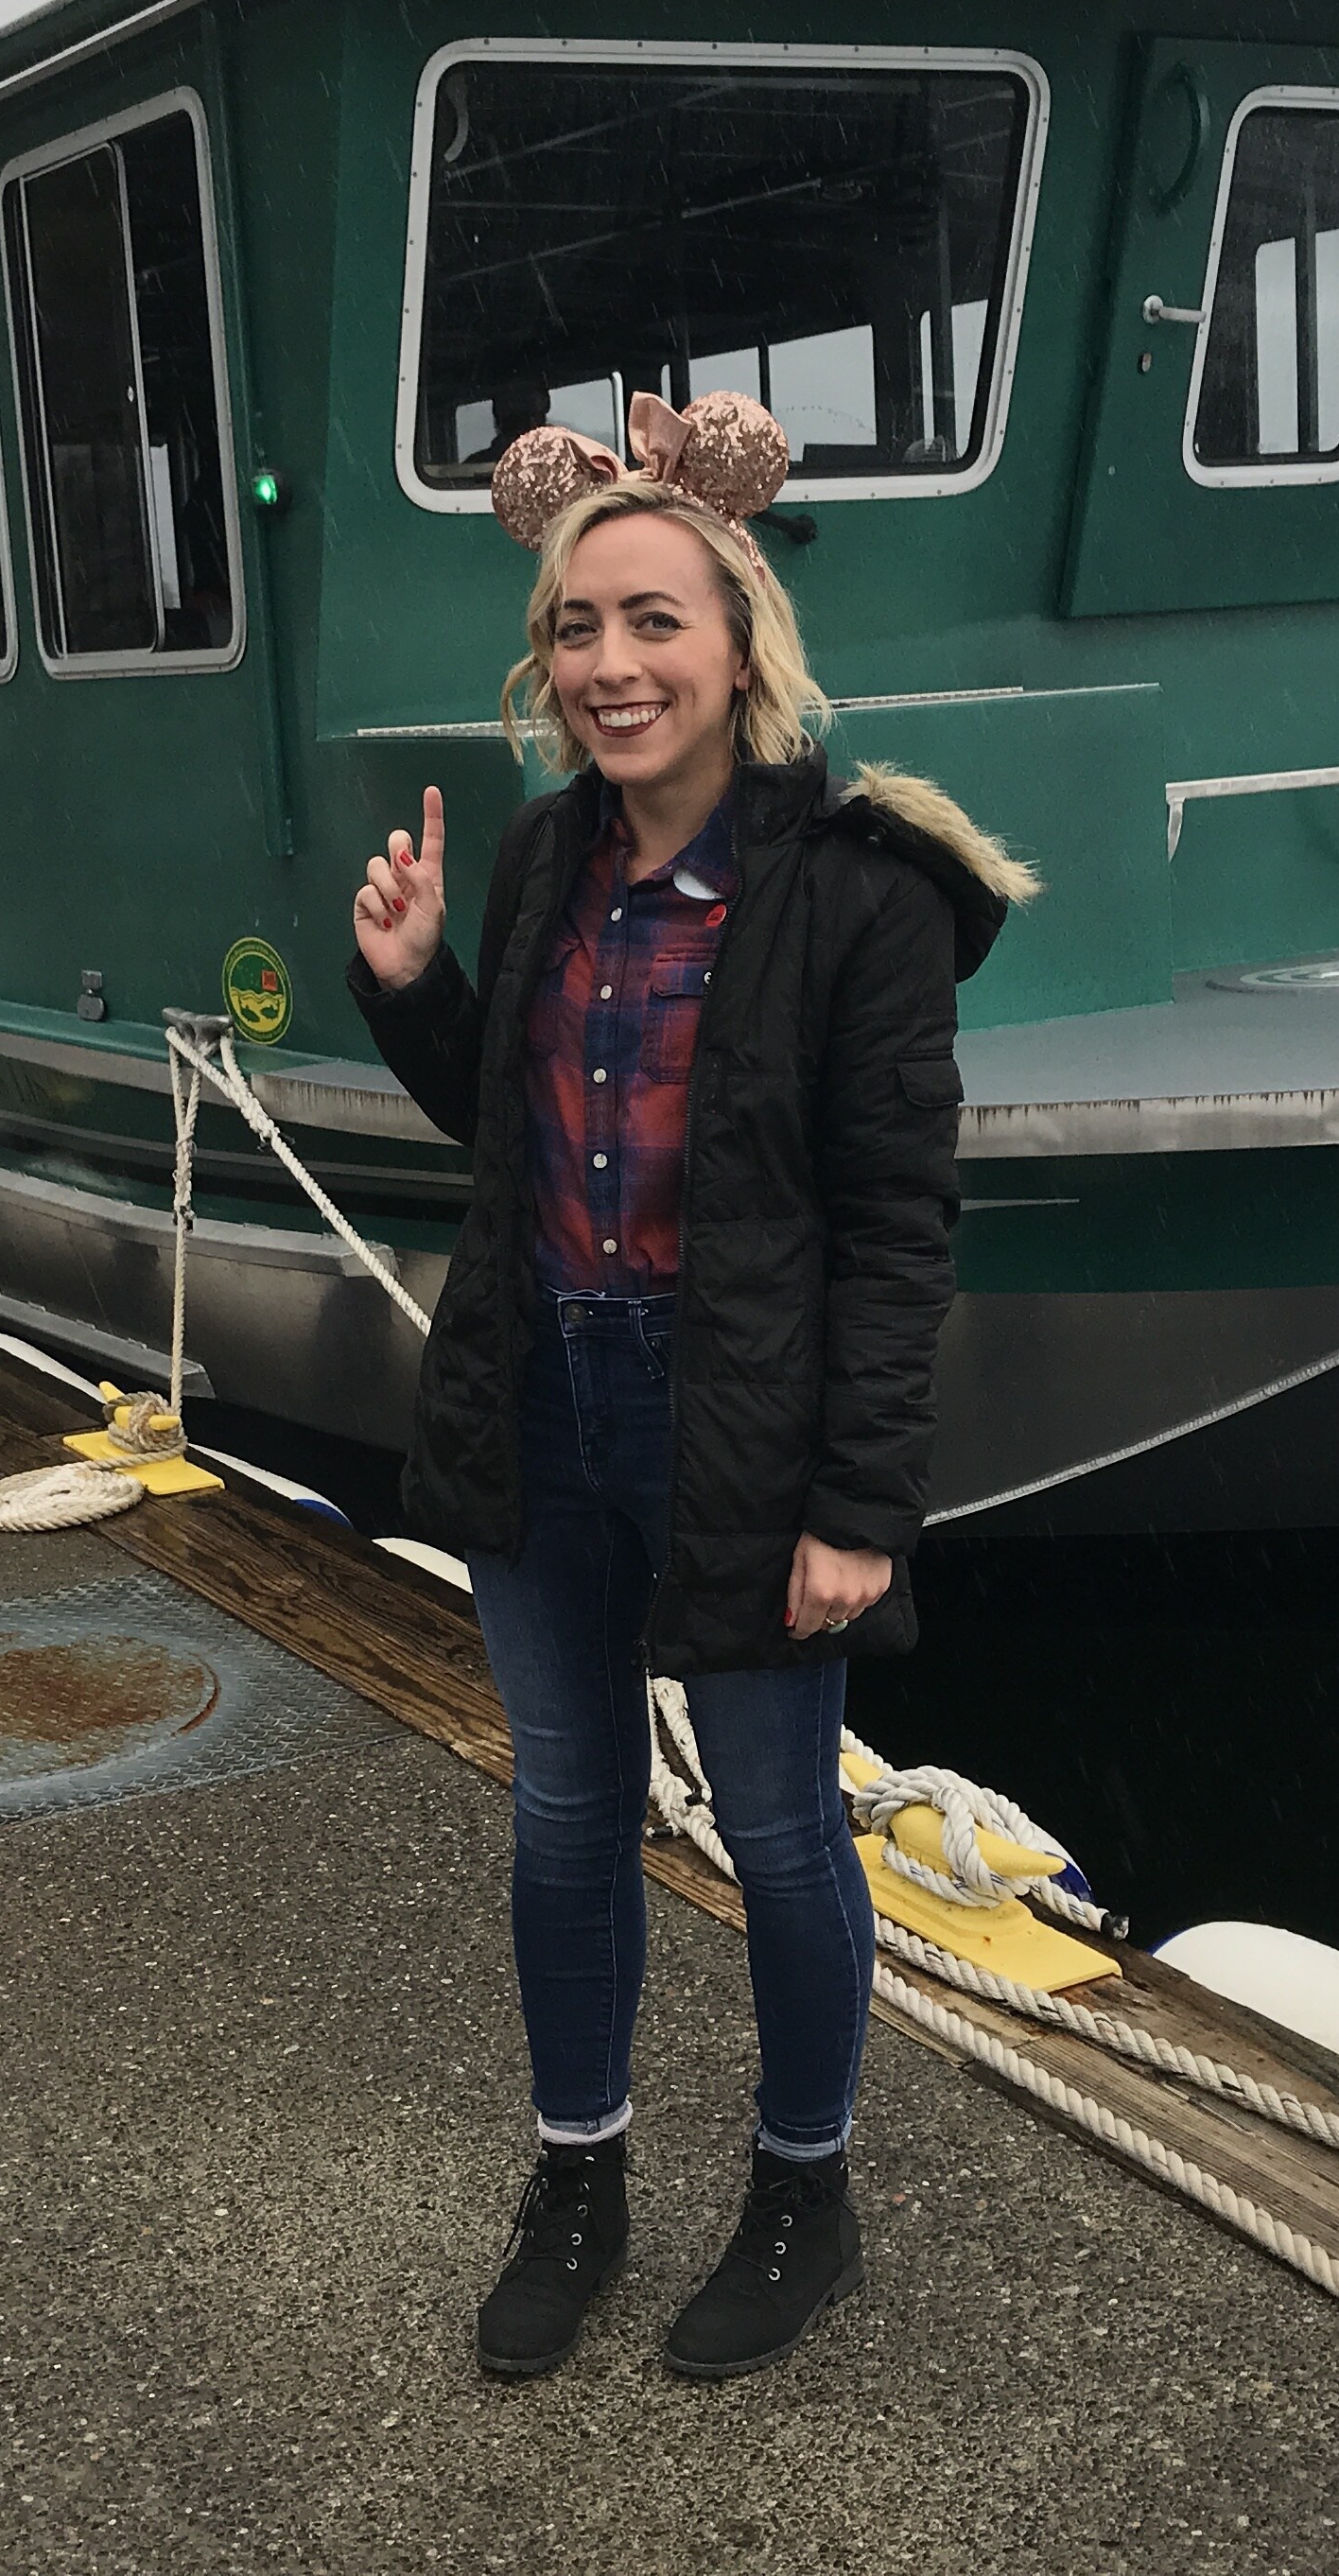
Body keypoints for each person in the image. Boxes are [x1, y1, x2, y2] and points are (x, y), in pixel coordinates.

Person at [345, 390, 1035, 2382]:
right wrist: (415, 990)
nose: (611, 665)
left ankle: (804, 2189)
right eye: (576, 629)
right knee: (564, 1813)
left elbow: (900, 1229)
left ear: (740, 642)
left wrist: (860, 1505)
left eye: (653, 621)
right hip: (547, 1396)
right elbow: (508, 1138)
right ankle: (580, 2177)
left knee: (778, 1827)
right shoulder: (546, 862)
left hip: (735, 1420)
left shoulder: (860, 888)